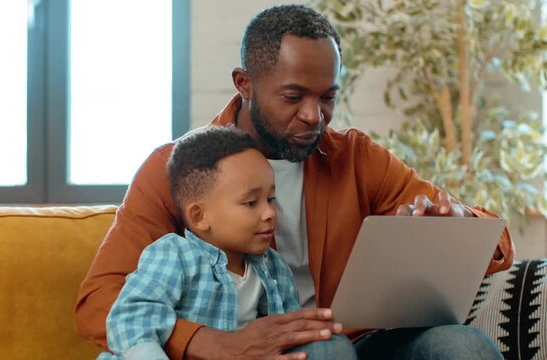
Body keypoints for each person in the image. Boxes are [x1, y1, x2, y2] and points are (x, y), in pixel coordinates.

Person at [76, 4, 514, 359]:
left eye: (328, 97)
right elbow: (99, 301)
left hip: (356, 341)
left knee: (462, 345)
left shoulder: (357, 157)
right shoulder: (177, 167)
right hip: (253, 348)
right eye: (293, 96)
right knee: (327, 351)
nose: (313, 115)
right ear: (244, 83)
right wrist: (209, 343)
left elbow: (498, 245)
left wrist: (457, 221)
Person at [99, 126, 355, 360]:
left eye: (271, 199)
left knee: (333, 347)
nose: (270, 213)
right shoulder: (175, 255)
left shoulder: (273, 266)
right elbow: (131, 319)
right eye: (251, 203)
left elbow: (287, 331)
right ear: (200, 216)